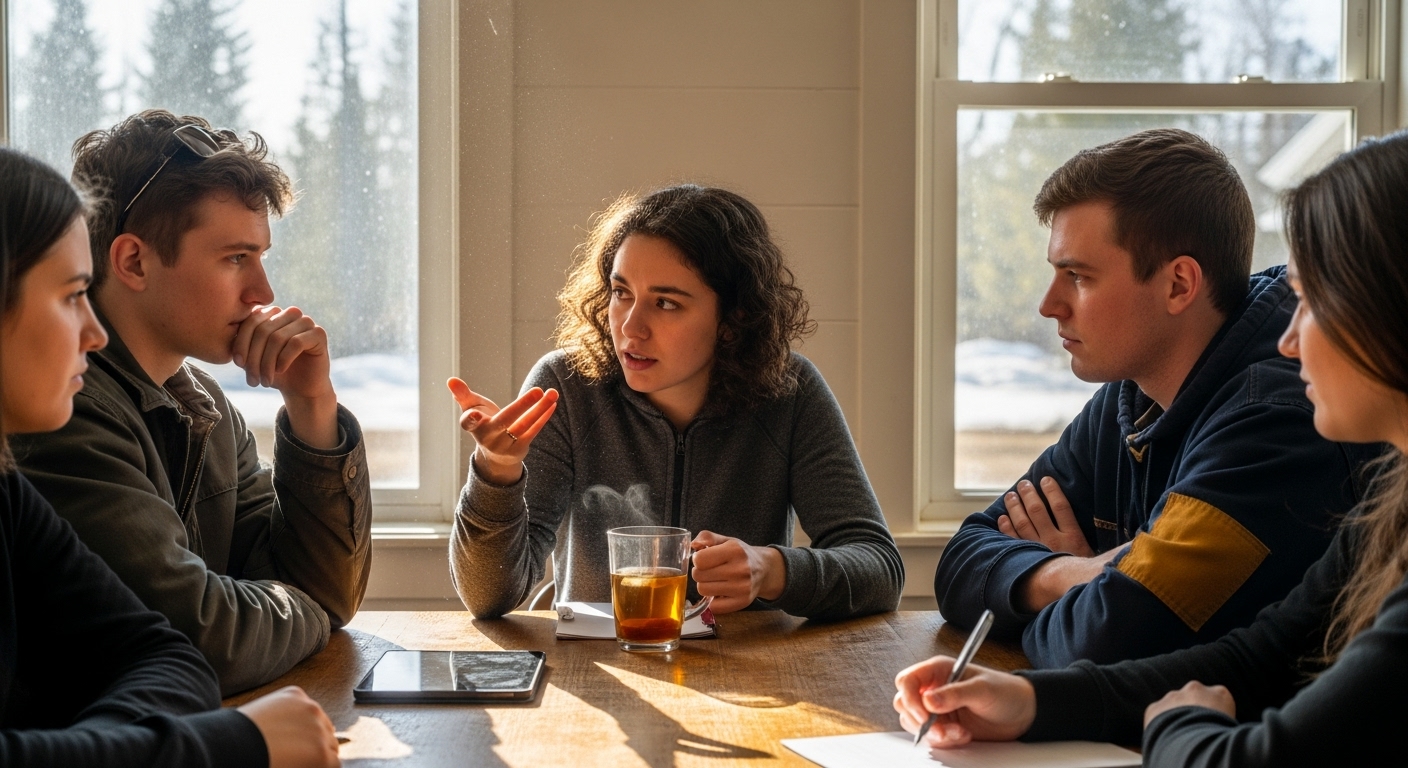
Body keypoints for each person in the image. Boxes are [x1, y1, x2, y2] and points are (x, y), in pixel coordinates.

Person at [895, 129, 1408, 767]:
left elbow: (1110, 639)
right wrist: (1060, 621)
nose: (1290, 339)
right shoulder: (1130, 395)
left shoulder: (1276, 421)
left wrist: (1177, 720)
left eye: (1312, 302)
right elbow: (1255, 658)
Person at [9, 110, 373, 695]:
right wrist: (309, 608)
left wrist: (313, 407)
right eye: (235, 258)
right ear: (133, 261)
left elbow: (321, 587)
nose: (264, 293)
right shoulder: (59, 407)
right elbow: (206, 638)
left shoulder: (202, 402)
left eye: (261, 257)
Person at [447, 184, 903, 619]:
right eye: (621, 293)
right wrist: (496, 472)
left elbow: (880, 568)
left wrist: (772, 570)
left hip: (751, 675)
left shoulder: (791, 391)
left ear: (733, 319)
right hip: (598, 674)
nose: (630, 327)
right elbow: (488, 597)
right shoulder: (564, 386)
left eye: (665, 303)